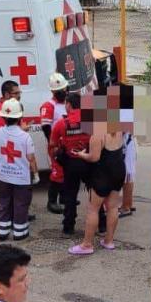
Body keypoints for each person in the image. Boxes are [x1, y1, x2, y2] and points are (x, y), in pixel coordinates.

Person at [68, 116, 126, 255]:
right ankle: (109, 241)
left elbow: (94, 158)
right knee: (112, 207)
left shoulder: (97, 135)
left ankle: (87, 245)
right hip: (118, 171)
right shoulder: (118, 129)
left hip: (102, 175)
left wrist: (82, 155)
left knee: (93, 209)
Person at [0, 99, 37, 241]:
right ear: (20, 117)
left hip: (3, 176)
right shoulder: (25, 137)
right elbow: (31, 158)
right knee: (20, 204)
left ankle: (2, 232)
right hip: (21, 178)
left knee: (4, 203)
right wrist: (35, 174)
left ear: (3, 117)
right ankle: (20, 233)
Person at [50, 93, 90, 236]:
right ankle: (102, 223)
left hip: (71, 164)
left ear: (69, 104)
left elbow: (53, 144)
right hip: (89, 160)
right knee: (96, 194)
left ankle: (68, 227)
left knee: (70, 195)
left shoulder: (61, 123)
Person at [41, 73, 69, 214]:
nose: (62, 92)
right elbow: (46, 127)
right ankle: (52, 202)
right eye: (59, 91)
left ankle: (65, 199)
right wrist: (53, 145)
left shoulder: (68, 103)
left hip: (68, 144)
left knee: (67, 172)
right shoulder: (49, 105)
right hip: (56, 146)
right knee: (57, 174)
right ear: (52, 91)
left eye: (63, 89)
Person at [119, 132, 137, 218]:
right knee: (129, 176)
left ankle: (126, 207)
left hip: (126, 143)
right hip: (128, 142)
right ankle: (128, 204)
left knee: (127, 176)